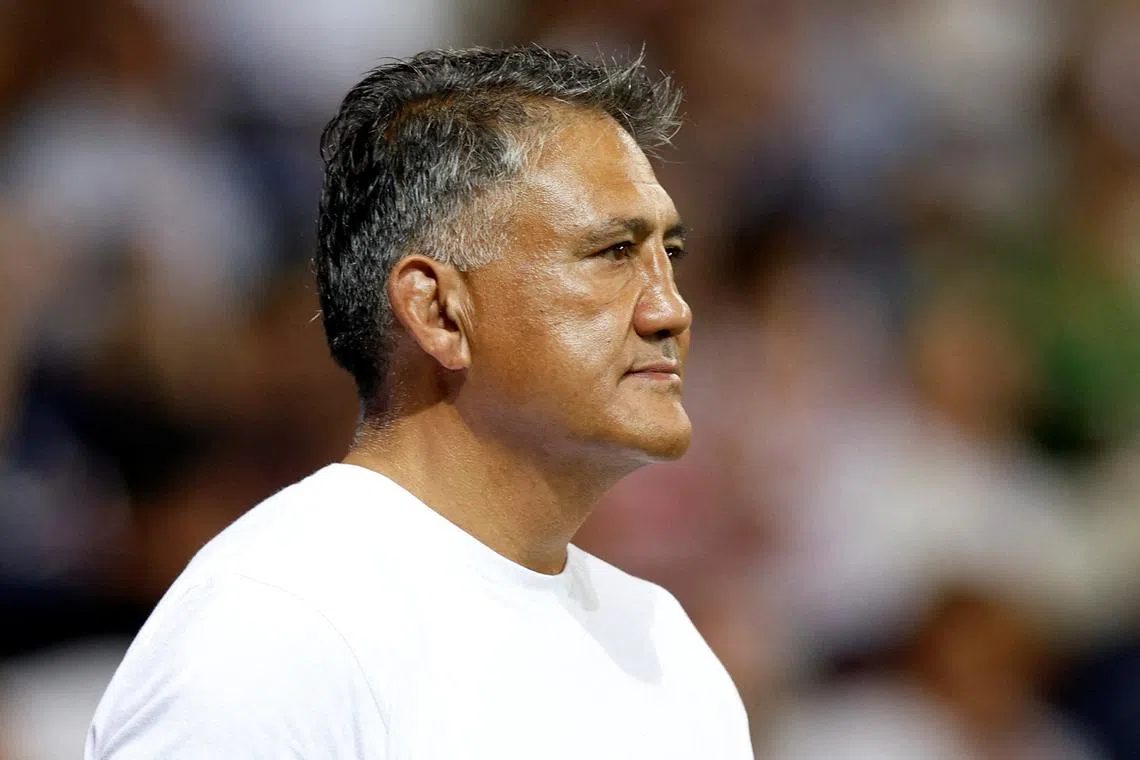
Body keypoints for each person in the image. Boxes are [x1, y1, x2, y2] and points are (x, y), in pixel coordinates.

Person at [84, 46, 754, 758]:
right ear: (438, 312)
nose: (670, 310)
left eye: (669, 256)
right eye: (615, 252)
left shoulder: (663, 647)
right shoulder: (278, 622)